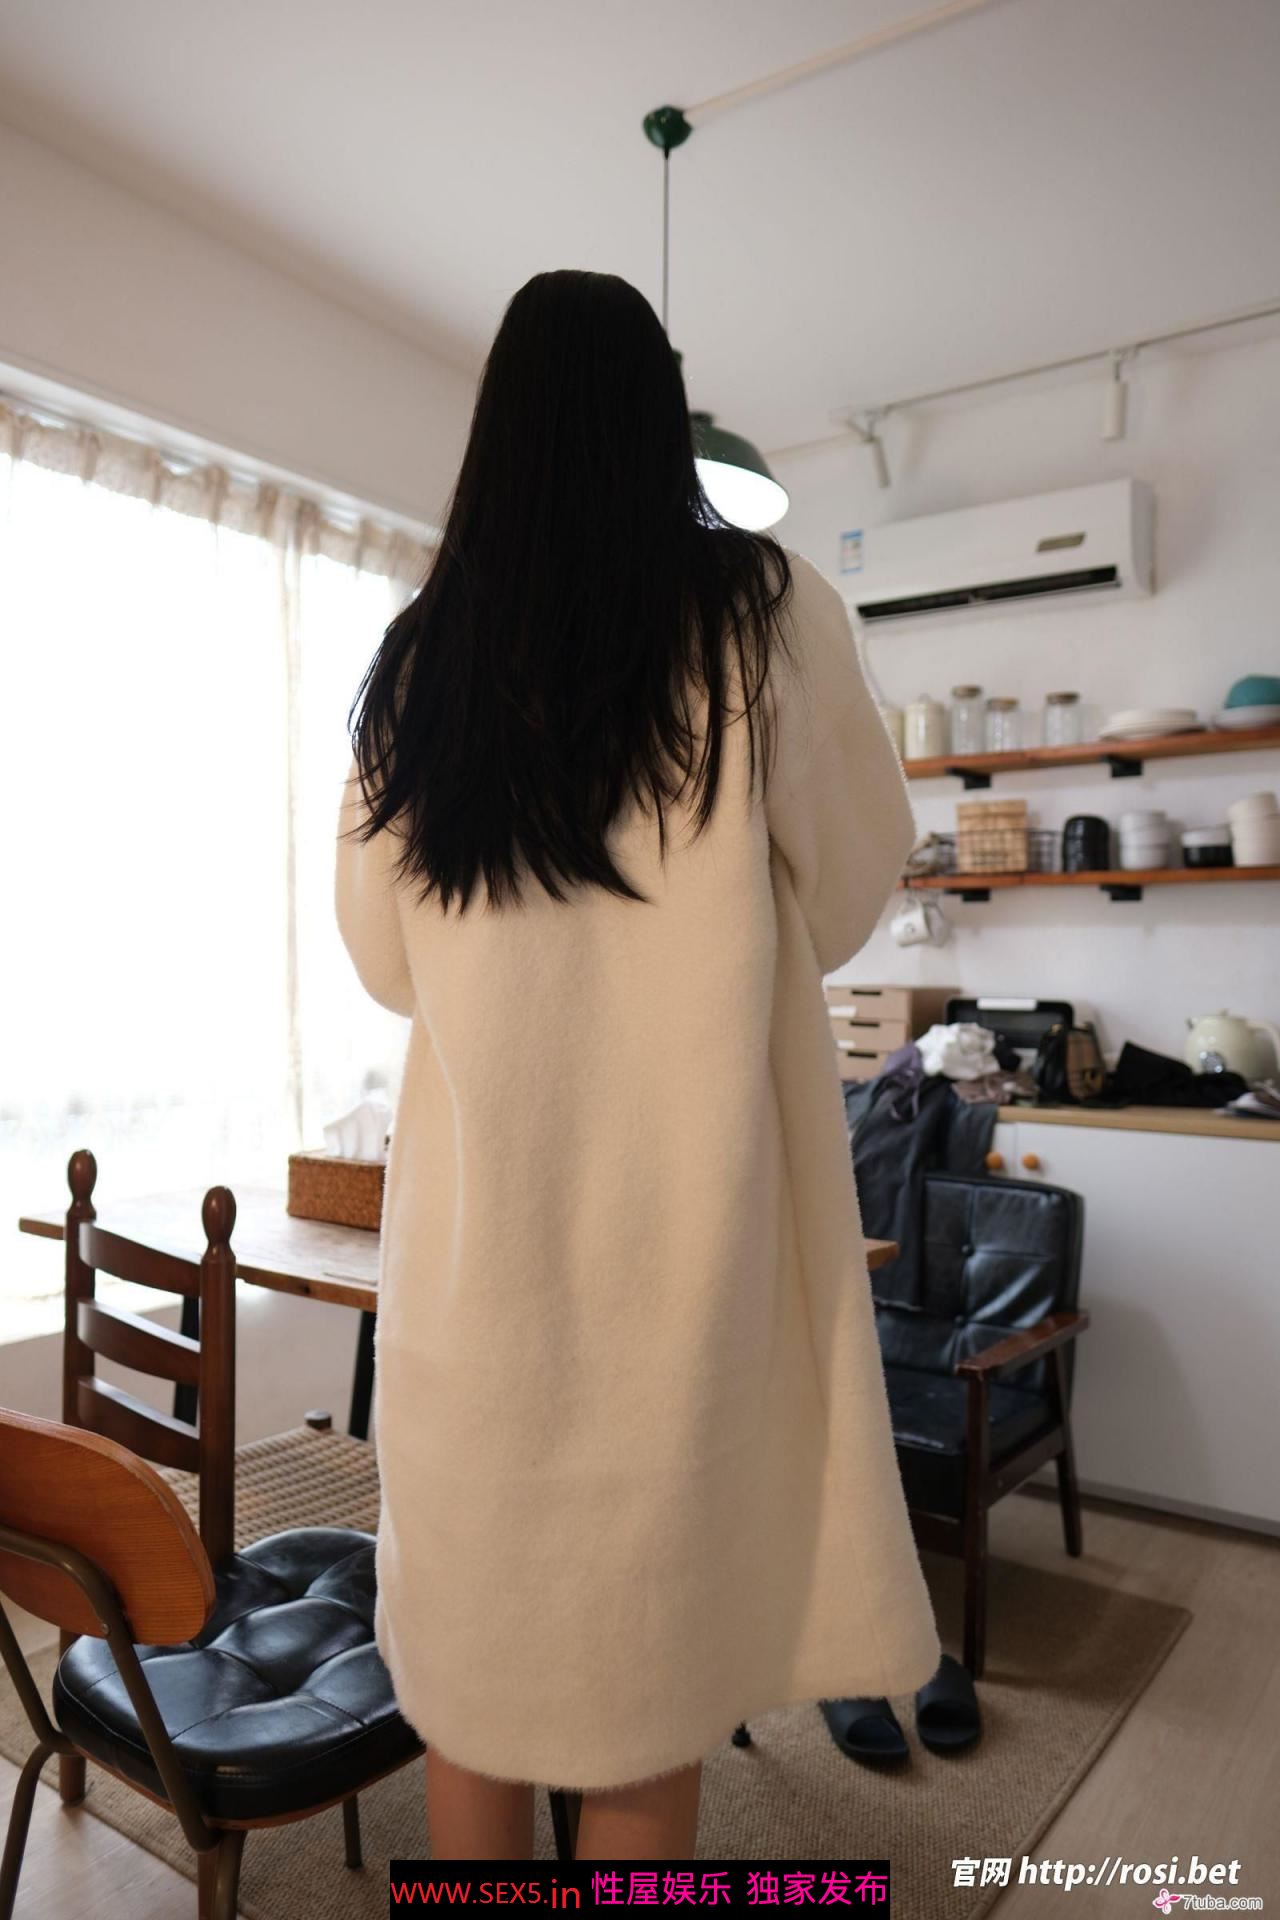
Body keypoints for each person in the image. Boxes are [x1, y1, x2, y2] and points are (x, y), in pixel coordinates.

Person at [335, 268, 939, 1861]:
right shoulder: (763, 611)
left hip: (474, 1294)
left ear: (499, 431)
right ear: (659, 423)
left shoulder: (423, 657)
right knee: (644, 1710)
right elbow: (854, 881)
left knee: (468, 1703)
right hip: (684, 1288)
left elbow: (385, 962)